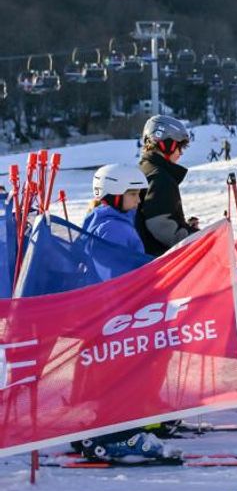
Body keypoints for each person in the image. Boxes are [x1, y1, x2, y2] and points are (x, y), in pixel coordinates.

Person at [73, 164, 179, 463]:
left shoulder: (106, 221)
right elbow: (118, 275)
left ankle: (100, 430)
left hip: (109, 312)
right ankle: (117, 436)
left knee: (115, 371)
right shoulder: (114, 229)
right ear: (115, 195)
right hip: (116, 312)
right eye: (133, 194)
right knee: (125, 371)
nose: (138, 200)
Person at [136, 115, 200, 257]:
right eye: (179, 147)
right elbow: (160, 225)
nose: (181, 153)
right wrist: (194, 238)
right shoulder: (160, 178)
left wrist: (184, 226)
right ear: (167, 144)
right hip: (160, 259)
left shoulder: (143, 169)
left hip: (146, 254)